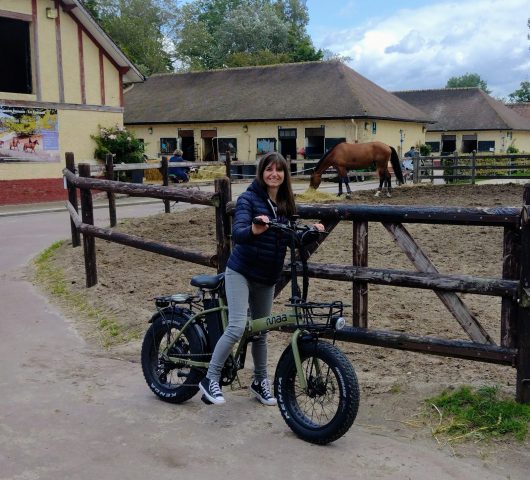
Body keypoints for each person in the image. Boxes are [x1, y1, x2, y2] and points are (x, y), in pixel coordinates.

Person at [199, 152, 324, 406]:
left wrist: (311, 233)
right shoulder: (249, 199)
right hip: (241, 272)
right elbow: (239, 231)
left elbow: (290, 236)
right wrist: (254, 229)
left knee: (261, 332)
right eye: (269, 169)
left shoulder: (287, 203)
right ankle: (210, 378)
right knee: (236, 327)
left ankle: (259, 381)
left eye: (279, 170)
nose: (274, 174)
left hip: (267, 276)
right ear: (261, 172)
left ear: (285, 175)